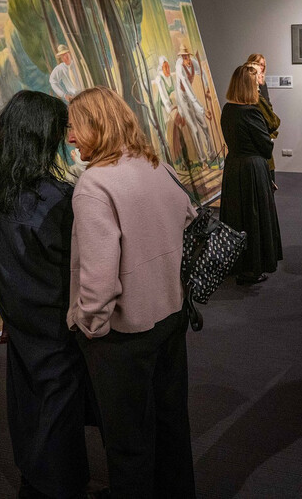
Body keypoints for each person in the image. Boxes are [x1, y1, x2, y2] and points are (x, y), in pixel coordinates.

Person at [66, 87, 197, 498]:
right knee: (172, 428)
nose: (69, 137)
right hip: (171, 318)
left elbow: (99, 280)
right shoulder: (156, 165)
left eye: (73, 126)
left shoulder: (94, 185)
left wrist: (89, 325)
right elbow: (189, 219)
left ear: (95, 125)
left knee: (128, 447)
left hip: (124, 338)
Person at [0, 91, 94, 499]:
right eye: (60, 132)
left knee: (29, 396)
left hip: (17, 310)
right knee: (60, 403)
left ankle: (35, 474)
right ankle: (59, 485)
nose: (66, 140)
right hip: (56, 314)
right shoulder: (56, 198)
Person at [220, 65, 283, 285]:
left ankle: (236, 261)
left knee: (237, 216)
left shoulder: (228, 109)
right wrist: (269, 141)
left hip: (233, 167)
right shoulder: (251, 112)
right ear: (248, 85)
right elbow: (265, 147)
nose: (259, 84)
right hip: (252, 169)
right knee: (253, 216)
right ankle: (252, 267)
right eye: (256, 81)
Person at [175, 44, 215, 162]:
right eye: (184, 57)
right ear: (181, 58)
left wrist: (207, 88)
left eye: (187, 56)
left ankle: (212, 156)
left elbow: (202, 73)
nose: (187, 60)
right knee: (195, 130)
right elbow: (189, 91)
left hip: (191, 96)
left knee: (204, 126)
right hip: (183, 97)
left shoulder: (193, 62)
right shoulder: (179, 68)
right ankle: (203, 160)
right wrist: (203, 110)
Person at [247, 55, 281, 183]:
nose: (261, 68)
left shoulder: (232, 105)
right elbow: (274, 122)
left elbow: (269, 105)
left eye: (263, 65)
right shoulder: (255, 98)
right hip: (259, 141)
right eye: (258, 64)